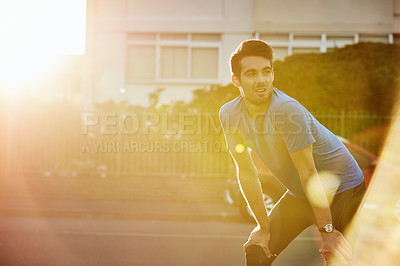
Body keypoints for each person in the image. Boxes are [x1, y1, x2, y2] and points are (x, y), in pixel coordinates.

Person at [219, 39, 366, 265]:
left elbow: (308, 171)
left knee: (335, 256)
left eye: (266, 72)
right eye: (251, 74)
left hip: (342, 185)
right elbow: (246, 172)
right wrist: (262, 227)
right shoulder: (229, 114)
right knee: (259, 250)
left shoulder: (286, 110)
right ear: (235, 80)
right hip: (301, 190)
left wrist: (327, 232)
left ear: (272, 74)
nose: (261, 80)